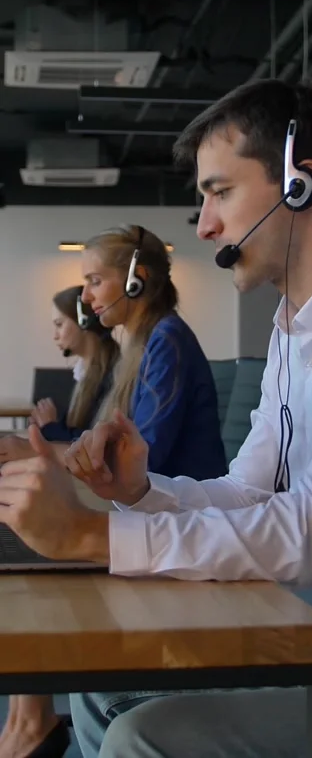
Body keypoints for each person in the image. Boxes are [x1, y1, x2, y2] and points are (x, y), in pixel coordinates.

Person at [1, 78, 312, 758]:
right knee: (103, 690)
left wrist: (91, 537)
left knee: (146, 736)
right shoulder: (293, 330)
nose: (203, 225)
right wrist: (140, 493)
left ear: (300, 185)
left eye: (219, 192)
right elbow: (249, 489)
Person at [0, 287, 119, 758]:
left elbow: (122, 451)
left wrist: (46, 439)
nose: (55, 331)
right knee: (18, 510)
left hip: (147, 494)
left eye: (59, 322)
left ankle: (32, 719)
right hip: (129, 489)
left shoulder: (150, 350)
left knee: (26, 524)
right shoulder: (100, 370)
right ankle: (24, 715)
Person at [78, 223, 226, 481]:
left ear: (136, 280)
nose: (85, 297)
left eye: (95, 281)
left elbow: (143, 459)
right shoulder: (145, 342)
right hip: (161, 507)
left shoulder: (167, 340)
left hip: (185, 512)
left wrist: (51, 454)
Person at [0, 285, 119, 467]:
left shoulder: (111, 378)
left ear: (83, 322)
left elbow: (95, 445)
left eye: (59, 324)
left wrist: (50, 427)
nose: (55, 336)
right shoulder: (87, 375)